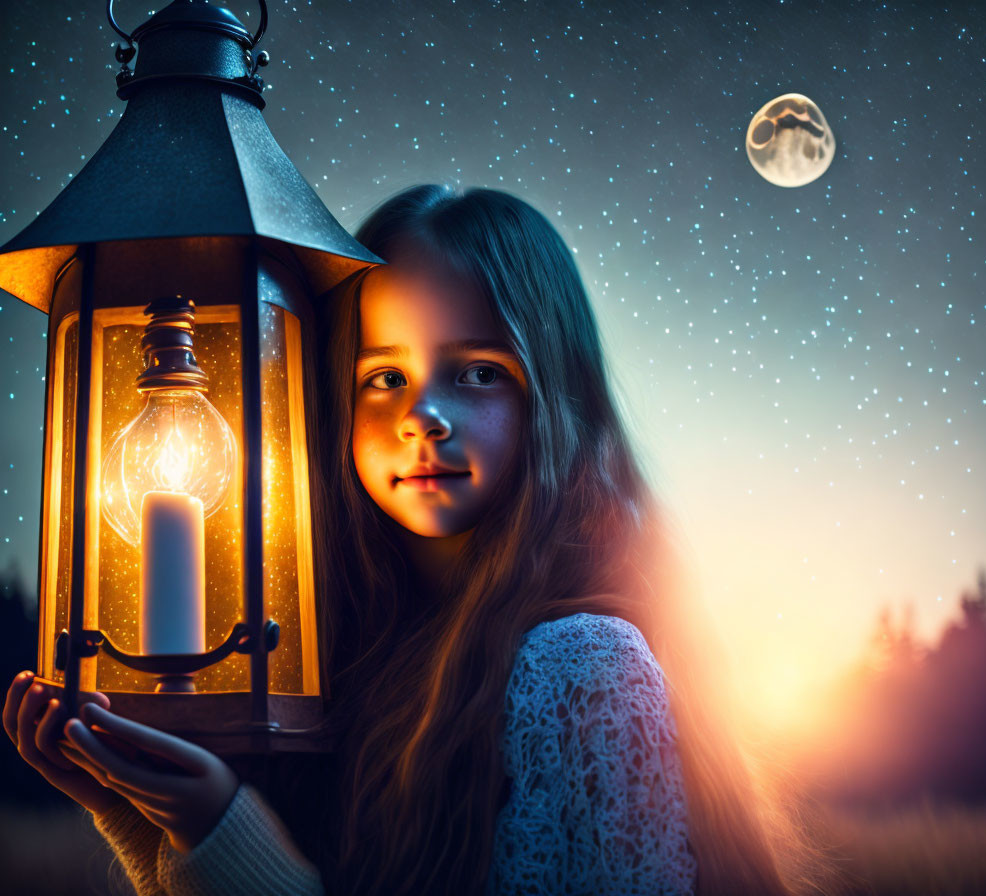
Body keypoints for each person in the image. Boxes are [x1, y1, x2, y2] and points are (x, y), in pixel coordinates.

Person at [4, 186, 813, 895]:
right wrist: (145, 823)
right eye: (384, 376)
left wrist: (225, 836)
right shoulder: (339, 666)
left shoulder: (583, 668)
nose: (423, 415)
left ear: (556, 398)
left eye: (479, 372)